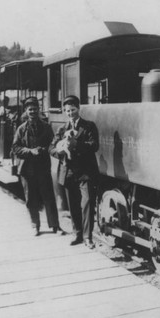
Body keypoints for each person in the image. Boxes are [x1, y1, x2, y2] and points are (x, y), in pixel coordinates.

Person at [50, 95, 99, 248]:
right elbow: (51, 148)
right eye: (67, 111)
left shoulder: (89, 126)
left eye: (73, 110)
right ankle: (77, 234)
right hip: (68, 171)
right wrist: (60, 152)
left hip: (86, 172)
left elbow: (94, 145)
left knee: (88, 203)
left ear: (79, 109)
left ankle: (88, 237)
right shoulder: (62, 129)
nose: (70, 113)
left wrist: (76, 144)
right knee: (73, 205)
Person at [12, 96, 63, 236]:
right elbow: (15, 148)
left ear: (39, 110)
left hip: (43, 168)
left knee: (49, 198)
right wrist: (30, 151)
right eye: (30, 110)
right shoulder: (21, 129)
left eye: (35, 109)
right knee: (30, 199)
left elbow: (52, 145)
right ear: (26, 112)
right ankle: (35, 225)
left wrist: (46, 149)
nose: (33, 112)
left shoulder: (46, 127)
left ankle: (55, 226)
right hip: (27, 170)